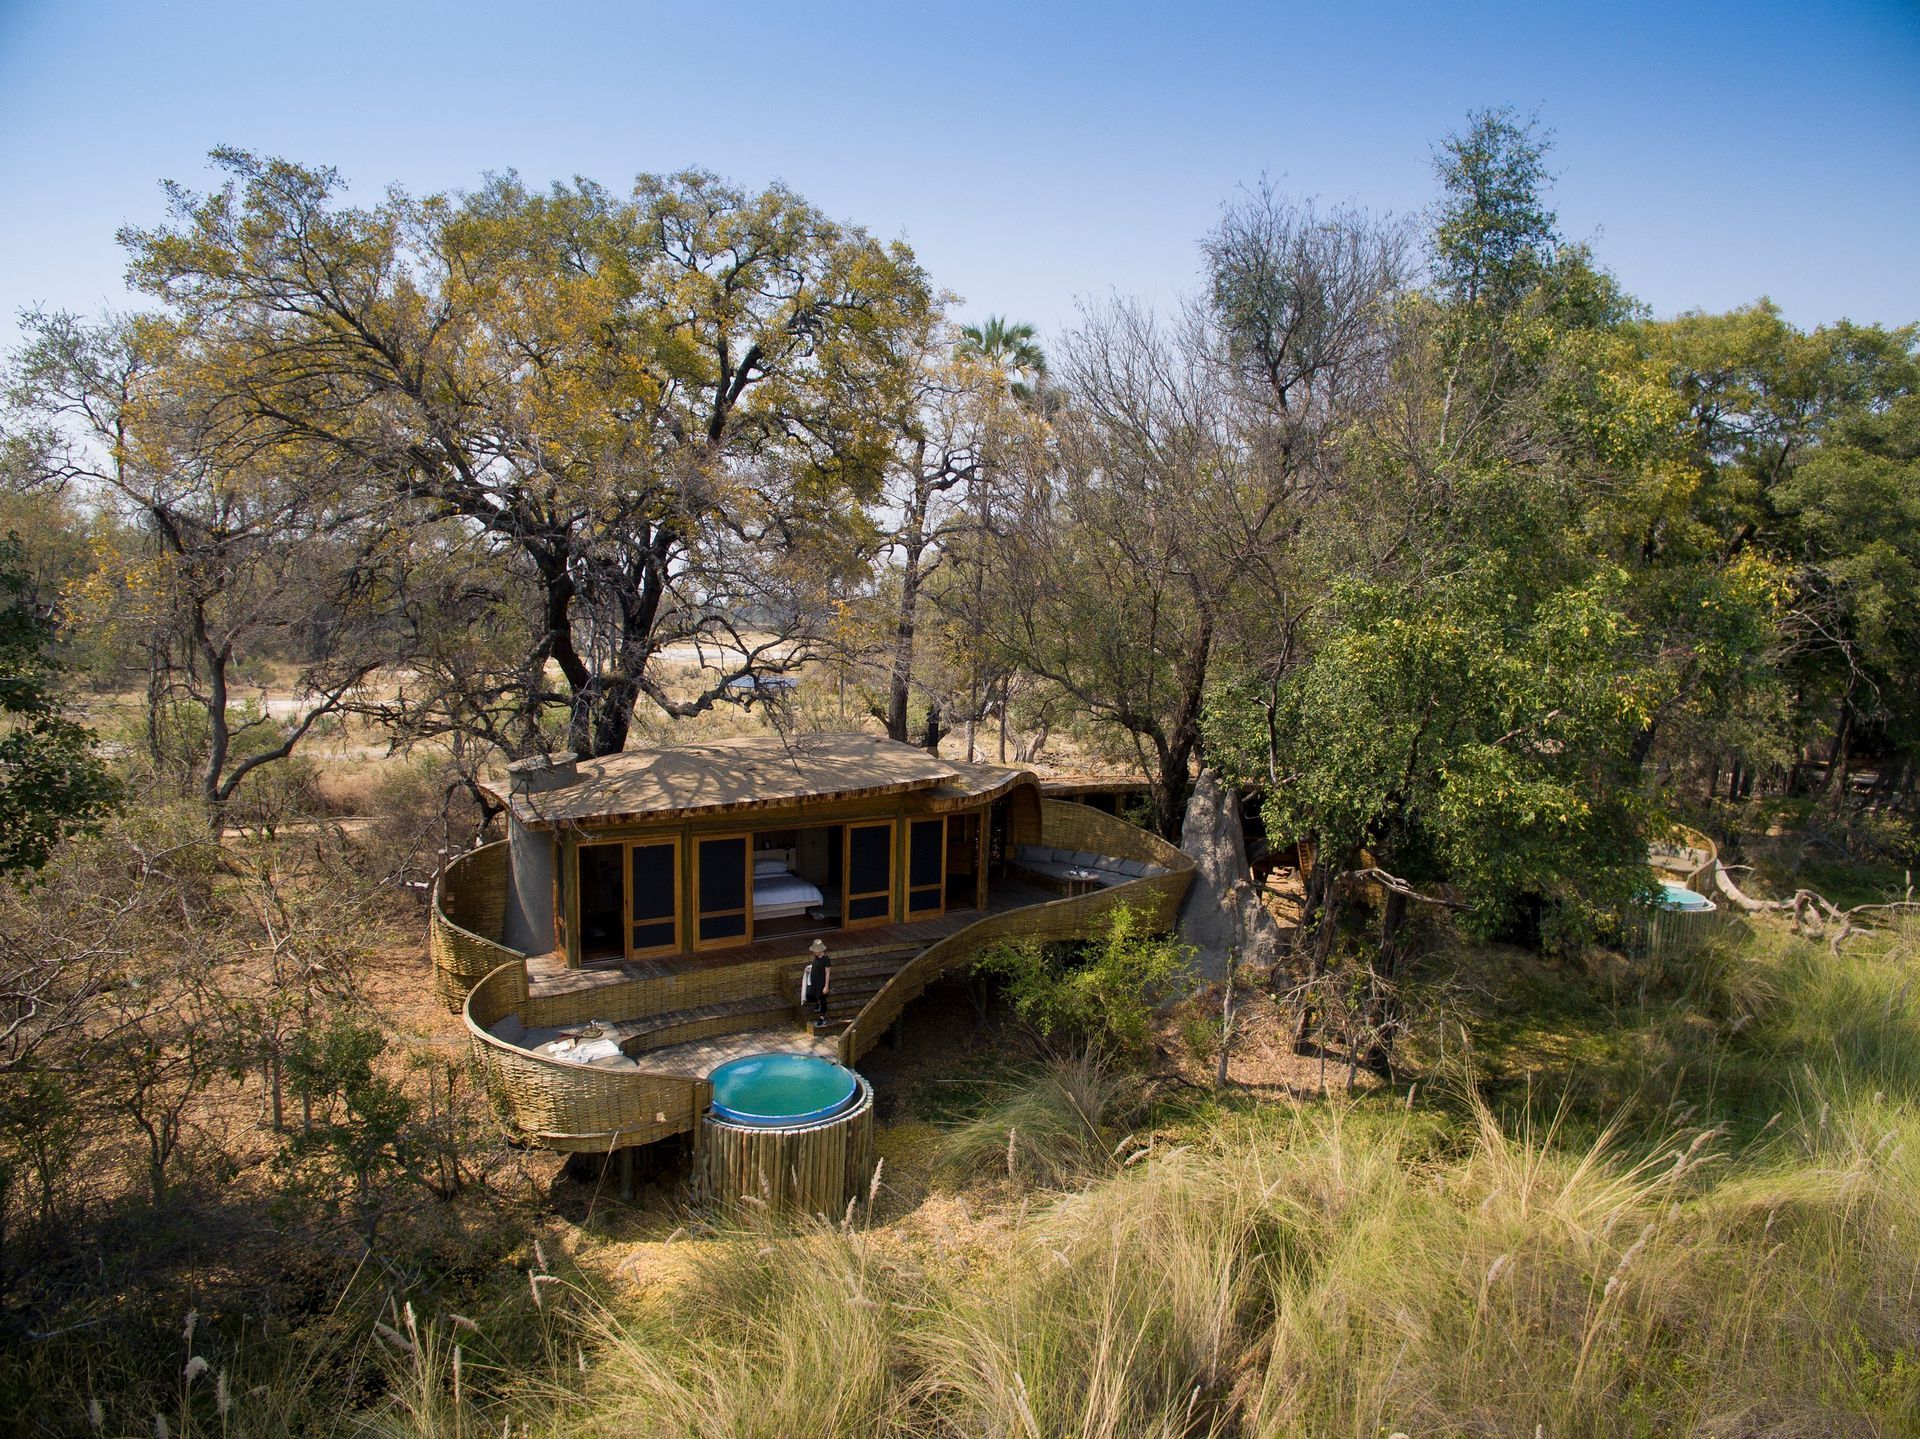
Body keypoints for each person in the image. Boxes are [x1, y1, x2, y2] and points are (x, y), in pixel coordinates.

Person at [801, 939, 832, 1026]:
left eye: (815, 951)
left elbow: (827, 973)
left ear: (820, 950)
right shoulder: (816, 958)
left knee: (823, 1000)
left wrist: (826, 986)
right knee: (809, 996)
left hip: (821, 983)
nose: (814, 952)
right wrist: (809, 969)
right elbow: (815, 967)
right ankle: (817, 1003)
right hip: (814, 982)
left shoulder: (826, 960)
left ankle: (822, 1017)